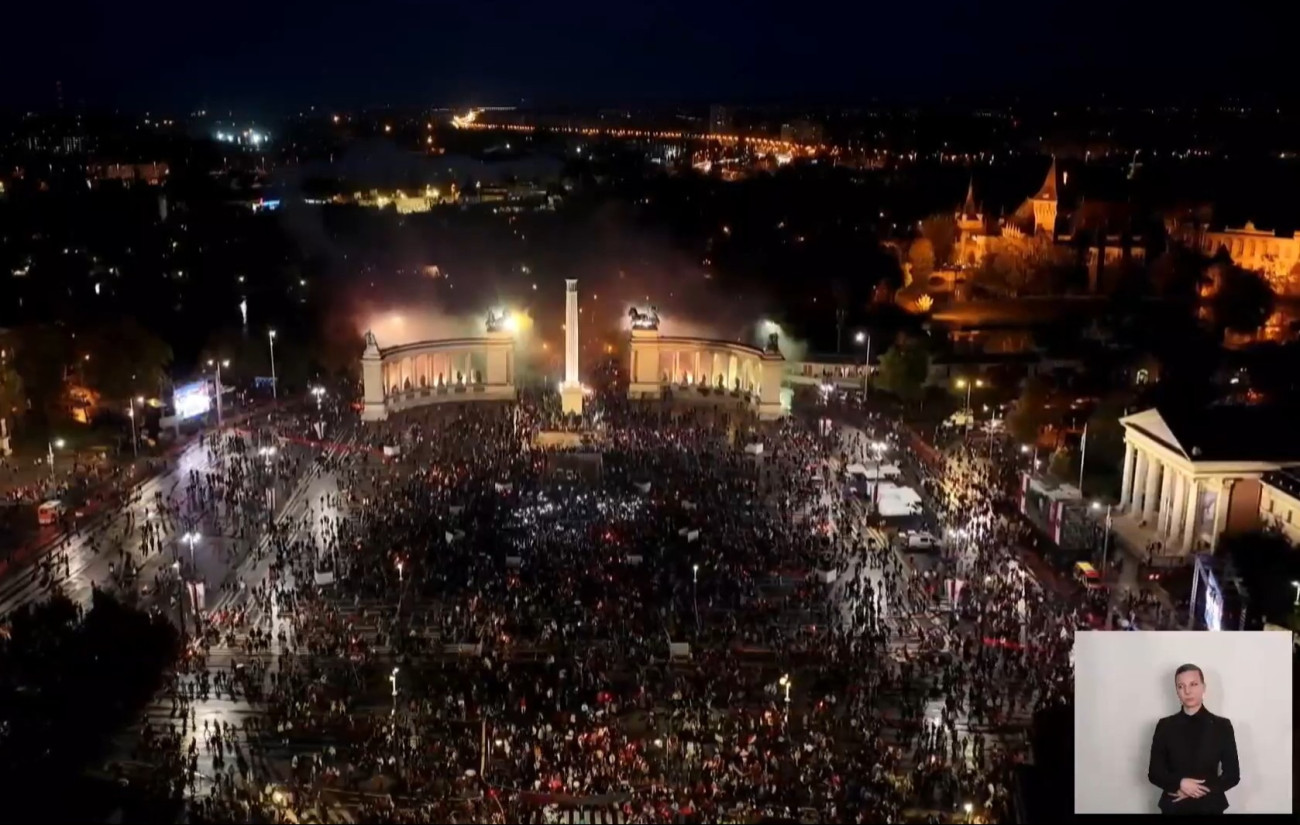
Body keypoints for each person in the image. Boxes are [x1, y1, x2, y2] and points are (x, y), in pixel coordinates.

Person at [1147, 663, 1240, 815]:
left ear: (1203, 687)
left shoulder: (1222, 726)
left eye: (1193, 684)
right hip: (1173, 807)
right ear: (1176, 690)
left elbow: (1232, 775)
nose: (1187, 691)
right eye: (1181, 686)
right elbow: (1154, 772)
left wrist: (1194, 790)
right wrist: (1180, 783)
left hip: (1210, 807)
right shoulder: (1165, 726)